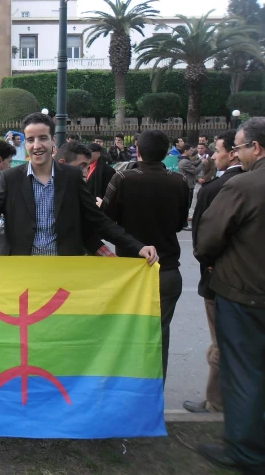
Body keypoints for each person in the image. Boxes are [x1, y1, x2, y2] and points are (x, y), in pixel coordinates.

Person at [0, 113, 158, 264]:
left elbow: (98, 220)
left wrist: (137, 247)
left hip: (64, 269)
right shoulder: (10, 178)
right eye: (30, 139)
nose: (36, 145)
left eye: (42, 138)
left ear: (53, 143)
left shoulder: (70, 177)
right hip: (24, 270)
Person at [194, 117, 265, 474]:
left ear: (256, 148)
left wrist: (210, 264)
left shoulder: (245, 186)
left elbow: (208, 238)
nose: (236, 153)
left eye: (238, 146)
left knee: (243, 373)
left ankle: (246, 451)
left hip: (245, 295)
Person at [100, 130, 190, 381]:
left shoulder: (123, 178)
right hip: (167, 268)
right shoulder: (179, 181)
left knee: (124, 336)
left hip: (129, 270)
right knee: (159, 337)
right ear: (166, 152)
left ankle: (126, 394)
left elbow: (106, 221)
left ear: (137, 150)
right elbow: (180, 223)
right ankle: (152, 394)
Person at [183, 130, 243, 415]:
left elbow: (203, 238)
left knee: (221, 342)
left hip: (222, 280)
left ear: (234, 152)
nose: (213, 156)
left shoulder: (221, 188)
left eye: (217, 150)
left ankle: (216, 402)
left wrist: (206, 261)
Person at [178, 144, 201, 230]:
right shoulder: (185, 161)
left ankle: (184, 223)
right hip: (187, 184)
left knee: (186, 204)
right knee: (187, 204)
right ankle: (185, 224)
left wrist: (201, 160)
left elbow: (193, 163)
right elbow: (195, 171)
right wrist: (203, 164)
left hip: (187, 184)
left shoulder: (184, 160)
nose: (192, 152)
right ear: (185, 151)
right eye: (190, 150)